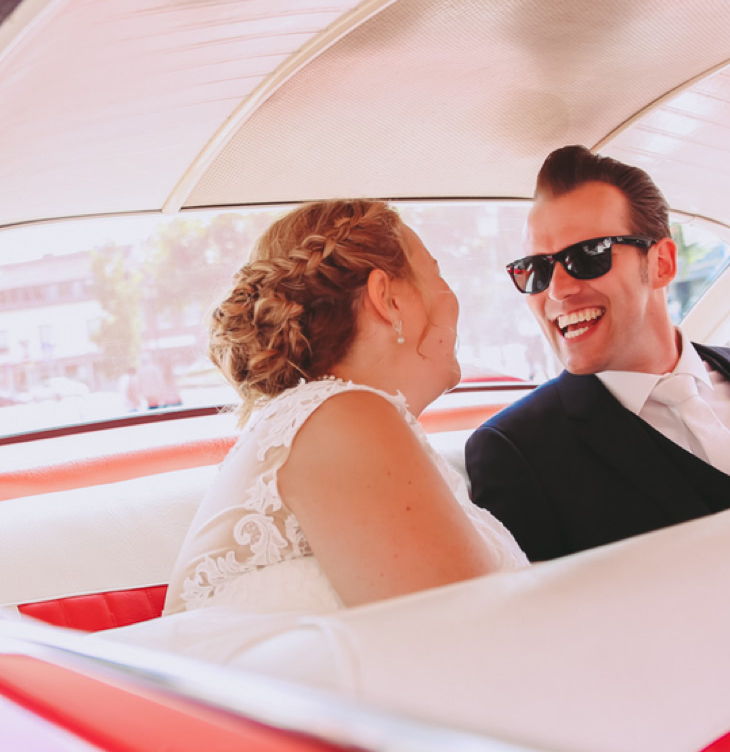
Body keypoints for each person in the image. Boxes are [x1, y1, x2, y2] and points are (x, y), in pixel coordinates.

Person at [466, 146, 730, 564]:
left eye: (588, 256)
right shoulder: (516, 451)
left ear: (662, 263)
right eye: (536, 269)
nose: (558, 290)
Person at [160, 199, 527, 617]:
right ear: (386, 299)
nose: (451, 298)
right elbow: (468, 632)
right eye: (436, 273)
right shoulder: (344, 418)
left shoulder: (329, 418)